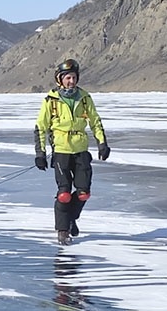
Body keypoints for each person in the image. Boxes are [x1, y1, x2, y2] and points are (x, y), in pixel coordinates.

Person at [33, 58, 110, 245]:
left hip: (81, 149)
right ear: (60, 79)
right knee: (64, 193)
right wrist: (40, 153)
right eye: (68, 78)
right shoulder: (50, 101)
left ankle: (70, 218)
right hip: (61, 151)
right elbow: (41, 128)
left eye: (74, 77)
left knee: (83, 192)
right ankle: (62, 230)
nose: (71, 81)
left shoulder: (84, 98)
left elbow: (95, 121)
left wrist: (102, 143)